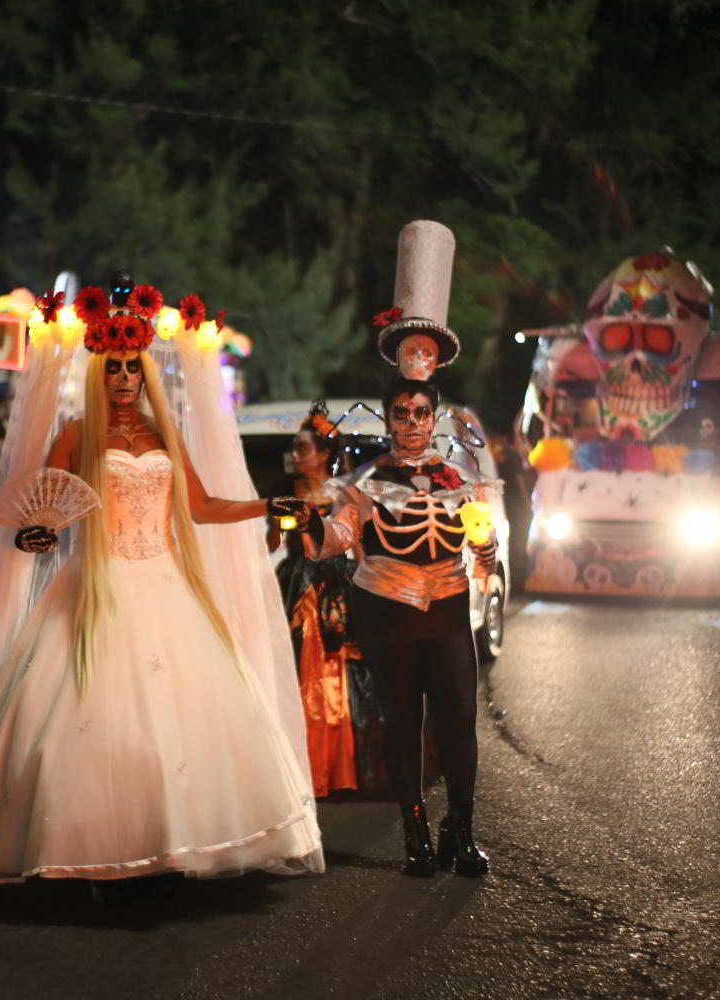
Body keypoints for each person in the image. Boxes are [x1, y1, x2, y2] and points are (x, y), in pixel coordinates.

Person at [0, 278, 322, 894]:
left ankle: (170, 844)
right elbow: (39, 510)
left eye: (134, 367)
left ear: (144, 370)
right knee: (80, 725)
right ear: (99, 373)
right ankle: (91, 847)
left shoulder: (163, 434)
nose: (126, 378)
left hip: (164, 586)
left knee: (179, 726)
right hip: (95, 587)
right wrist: (36, 536)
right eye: (115, 368)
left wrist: (270, 504)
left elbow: (203, 506)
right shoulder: (78, 435)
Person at [302, 221, 497, 878]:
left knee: (460, 721)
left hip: (446, 606)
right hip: (385, 608)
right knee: (401, 723)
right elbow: (335, 541)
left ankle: (461, 831)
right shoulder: (362, 484)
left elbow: (483, 539)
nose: (412, 423)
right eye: (401, 414)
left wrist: (488, 548)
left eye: (421, 412)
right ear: (388, 419)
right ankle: (414, 831)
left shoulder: (462, 476)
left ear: (434, 414)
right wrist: (308, 516)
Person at [274, 403, 377, 798]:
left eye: (303, 449)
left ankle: (333, 766)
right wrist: (277, 523)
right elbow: (274, 545)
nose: (297, 456)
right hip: (296, 582)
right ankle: (298, 765)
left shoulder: (345, 495)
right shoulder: (288, 495)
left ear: (323, 453)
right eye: (295, 450)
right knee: (297, 669)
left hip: (334, 583)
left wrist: (369, 590)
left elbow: (360, 550)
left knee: (334, 673)